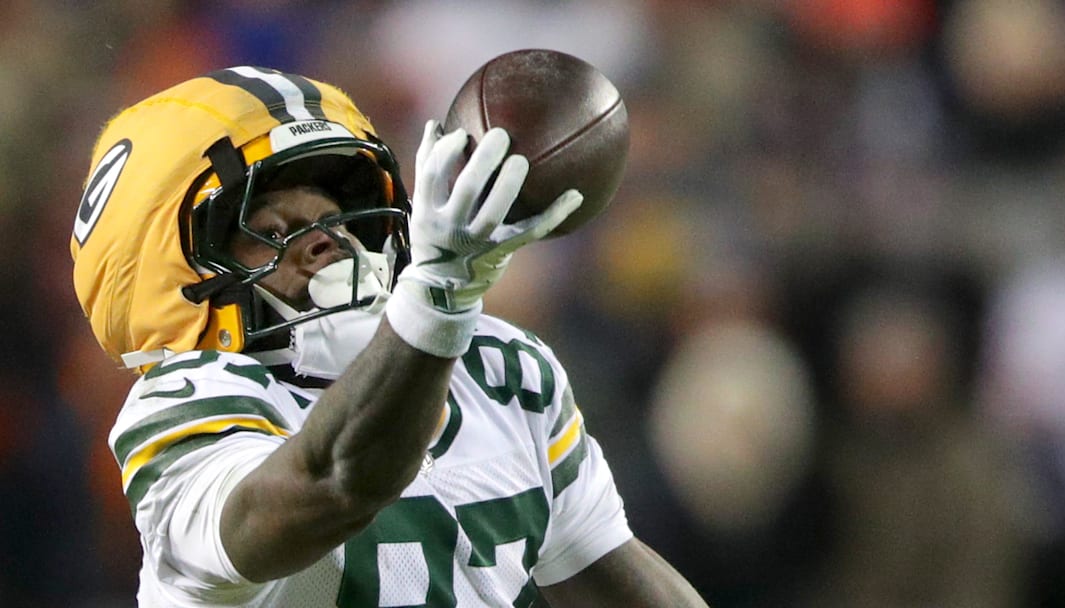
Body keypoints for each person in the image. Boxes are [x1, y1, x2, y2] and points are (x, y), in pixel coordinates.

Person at [70, 65, 708, 607]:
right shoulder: (185, 402)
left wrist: (441, 312)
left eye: (332, 216)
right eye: (269, 226)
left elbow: (604, 573)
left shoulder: (497, 367)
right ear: (175, 274)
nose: (327, 239)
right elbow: (333, 485)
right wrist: (439, 302)